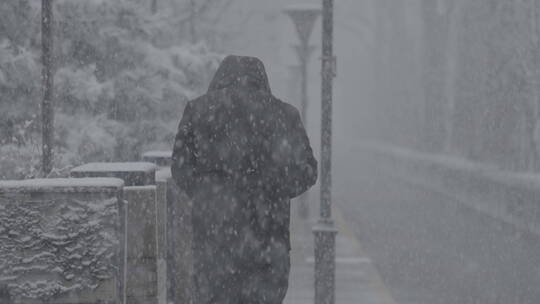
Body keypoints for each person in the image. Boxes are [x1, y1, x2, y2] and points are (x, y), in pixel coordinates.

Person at [172, 55, 317, 304]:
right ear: (262, 79)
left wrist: (210, 193)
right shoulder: (284, 114)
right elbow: (307, 171)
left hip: (214, 242)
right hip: (269, 241)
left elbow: (180, 167)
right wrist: (271, 187)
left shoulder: (198, 111)